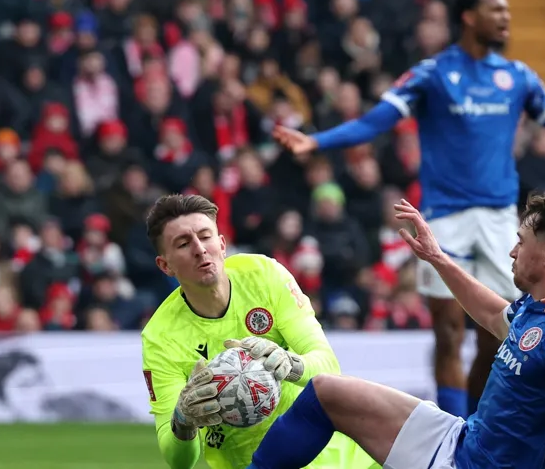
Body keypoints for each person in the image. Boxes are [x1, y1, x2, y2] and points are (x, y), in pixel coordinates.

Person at [272, 0, 545, 418]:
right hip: (444, 220)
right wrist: (318, 143)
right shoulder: (432, 74)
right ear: (468, 16)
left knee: (501, 334)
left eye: (507, 11)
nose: (506, 17)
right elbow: (377, 120)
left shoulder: (518, 76)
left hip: (502, 223)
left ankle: (476, 423)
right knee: (447, 333)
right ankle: (453, 430)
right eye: (496, 9)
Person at [245, 193, 545, 469]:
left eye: (521, 241)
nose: (511, 252)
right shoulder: (538, 304)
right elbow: (495, 315)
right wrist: (438, 257)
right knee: (326, 391)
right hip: (463, 440)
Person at [139, 194, 379, 469]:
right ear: (165, 265)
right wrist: (183, 420)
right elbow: (179, 460)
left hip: (336, 457)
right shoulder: (160, 337)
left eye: (205, 237)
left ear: (222, 244)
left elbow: (328, 366)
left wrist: (291, 364)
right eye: (183, 243)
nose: (199, 249)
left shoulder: (264, 275)